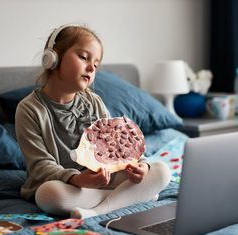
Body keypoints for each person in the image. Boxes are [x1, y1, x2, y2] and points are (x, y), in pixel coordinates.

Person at [15, 24, 170, 219]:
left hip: (102, 179)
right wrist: (77, 179)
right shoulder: (29, 109)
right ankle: (133, 196)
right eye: (84, 57)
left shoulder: (93, 102)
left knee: (161, 171)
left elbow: (118, 147)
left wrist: (141, 166)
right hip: (65, 185)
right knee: (48, 195)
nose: (91, 67)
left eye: (96, 64)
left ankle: (98, 210)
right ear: (53, 57)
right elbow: (41, 165)